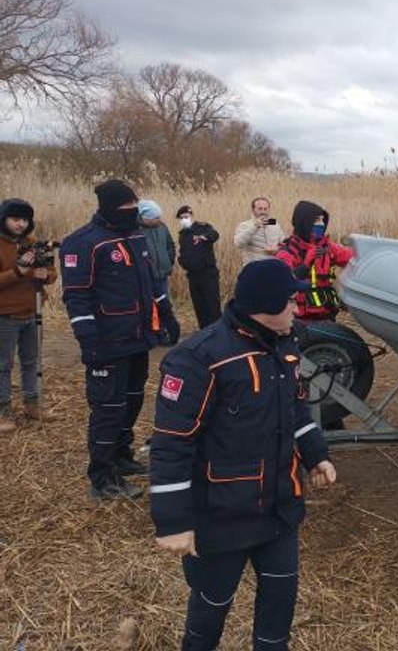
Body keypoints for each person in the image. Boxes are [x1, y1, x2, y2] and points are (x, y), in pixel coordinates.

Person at [149, 259, 337, 651]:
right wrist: (173, 522)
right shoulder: (198, 359)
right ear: (266, 307)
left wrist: (316, 453)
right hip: (221, 517)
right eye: (290, 302)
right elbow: (172, 443)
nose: (297, 309)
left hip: (280, 510)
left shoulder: (285, 344)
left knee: (279, 604)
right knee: (211, 605)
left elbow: (296, 409)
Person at [60, 179, 180, 500]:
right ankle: (102, 476)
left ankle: (121, 455)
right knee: (108, 408)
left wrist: (167, 314)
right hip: (107, 343)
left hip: (138, 339)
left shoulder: (136, 236)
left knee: (132, 399)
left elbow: (152, 280)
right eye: (126, 208)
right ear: (110, 208)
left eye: (134, 208)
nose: (132, 213)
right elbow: (76, 297)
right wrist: (90, 342)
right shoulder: (83, 243)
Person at [0, 198, 57, 432]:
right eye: (15, 219)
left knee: (32, 360)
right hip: (5, 315)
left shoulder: (34, 243)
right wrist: (18, 271)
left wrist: (45, 275)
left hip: (33, 312)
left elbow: (52, 274)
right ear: (4, 219)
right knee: (3, 364)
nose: (20, 224)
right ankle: (3, 409)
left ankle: (32, 404)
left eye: (25, 220)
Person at [275, 201, 353, 323]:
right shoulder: (287, 252)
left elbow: (351, 258)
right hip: (298, 320)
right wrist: (306, 263)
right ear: (304, 222)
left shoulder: (328, 247)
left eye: (323, 220)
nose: (321, 224)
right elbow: (284, 283)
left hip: (327, 315)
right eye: (317, 220)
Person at [176, 205, 222, 329]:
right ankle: (204, 331)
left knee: (212, 304)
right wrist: (182, 261)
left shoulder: (203, 227)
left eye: (186, 216)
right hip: (192, 275)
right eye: (181, 218)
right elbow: (182, 252)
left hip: (208, 273)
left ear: (191, 216)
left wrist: (204, 237)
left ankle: (217, 331)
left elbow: (215, 234)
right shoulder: (183, 234)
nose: (184, 219)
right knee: (199, 305)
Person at [138, 200, 177, 299]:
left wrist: (169, 261)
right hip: (146, 279)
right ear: (145, 218)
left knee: (165, 305)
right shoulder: (135, 231)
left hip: (163, 275)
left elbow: (170, 245)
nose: (159, 219)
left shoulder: (162, 227)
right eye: (156, 217)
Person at [234, 196, 285, 266]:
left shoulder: (274, 224)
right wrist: (255, 226)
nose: (263, 212)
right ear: (253, 210)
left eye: (265, 209)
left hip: (273, 267)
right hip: (253, 267)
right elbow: (238, 243)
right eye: (260, 209)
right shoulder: (245, 225)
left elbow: (284, 243)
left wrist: (277, 249)